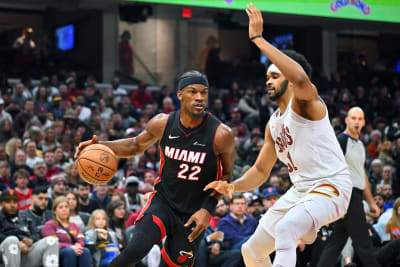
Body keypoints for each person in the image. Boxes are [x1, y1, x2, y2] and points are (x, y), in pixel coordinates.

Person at [204, 4, 352, 267]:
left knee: (286, 229)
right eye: (267, 76)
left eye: (274, 75)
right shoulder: (273, 123)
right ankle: (308, 229)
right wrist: (232, 186)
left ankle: (307, 228)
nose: (268, 80)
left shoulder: (307, 104)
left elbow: (300, 78)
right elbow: (261, 171)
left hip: (332, 187)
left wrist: (259, 39)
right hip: (301, 191)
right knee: (251, 251)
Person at [75, 70, 235, 266]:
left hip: (195, 211)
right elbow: (135, 145)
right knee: (134, 251)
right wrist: (99, 145)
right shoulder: (163, 123)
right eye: (193, 92)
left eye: (204, 92)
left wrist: (207, 210)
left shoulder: (221, 134)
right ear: (179, 95)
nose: (199, 97)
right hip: (164, 202)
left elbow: (226, 175)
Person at [317, 107, 381, 267]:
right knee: (363, 243)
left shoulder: (360, 145)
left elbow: (362, 175)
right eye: (353, 118)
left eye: (360, 119)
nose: (356, 122)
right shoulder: (341, 141)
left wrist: (371, 202)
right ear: (346, 120)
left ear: (364, 122)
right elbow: (328, 169)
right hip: (346, 194)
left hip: (355, 194)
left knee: (336, 242)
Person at [0, 189, 59, 267]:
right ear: (1, 205)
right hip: (5, 256)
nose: (12, 205)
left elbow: (36, 235)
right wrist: (18, 243)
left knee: (52, 240)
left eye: (15, 202)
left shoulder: (25, 218)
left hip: (26, 253)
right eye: (8, 202)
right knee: (12, 240)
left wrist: (31, 240)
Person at [41, 196, 92, 267]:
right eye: (61, 207)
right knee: (69, 252)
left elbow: (81, 239)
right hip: (57, 252)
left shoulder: (75, 226)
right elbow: (52, 243)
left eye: (66, 207)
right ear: (55, 211)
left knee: (85, 251)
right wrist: (70, 246)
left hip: (73, 250)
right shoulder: (50, 225)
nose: (64, 210)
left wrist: (78, 246)